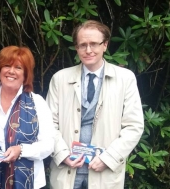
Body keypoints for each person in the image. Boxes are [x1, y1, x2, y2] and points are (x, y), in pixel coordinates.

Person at [46, 20, 144, 189]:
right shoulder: (60, 79)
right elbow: (48, 124)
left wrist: (108, 159)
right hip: (68, 170)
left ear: (105, 45)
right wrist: (62, 155)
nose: (88, 50)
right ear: (76, 48)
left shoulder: (125, 79)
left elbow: (133, 126)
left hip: (104, 172)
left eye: (94, 44)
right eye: (82, 45)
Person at [0, 46, 55, 189]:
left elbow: (49, 144)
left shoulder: (37, 103)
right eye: (7, 66)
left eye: (18, 67)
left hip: (29, 184)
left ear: (26, 74)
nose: (11, 71)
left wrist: (22, 150)